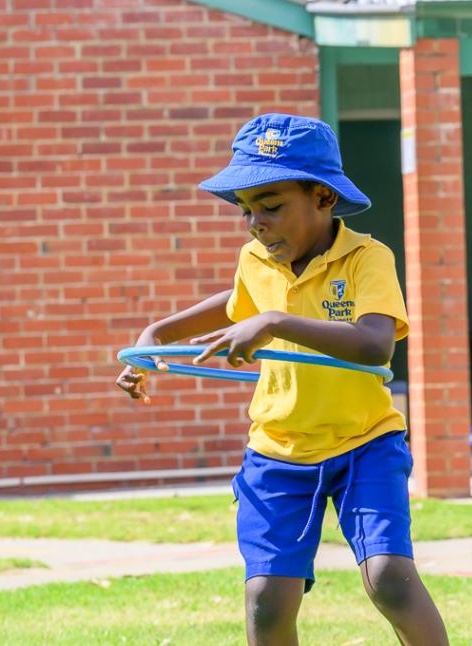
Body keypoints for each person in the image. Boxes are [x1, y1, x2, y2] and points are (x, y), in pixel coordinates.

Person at [116, 113, 448, 645]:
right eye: (247, 211)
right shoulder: (256, 259)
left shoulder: (368, 258)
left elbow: (373, 345)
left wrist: (272, 322)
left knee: (390, 578)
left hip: (365, 443)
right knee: (266, 599)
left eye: (270, 206)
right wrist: (159, 331)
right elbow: (235, 307)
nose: (255, 223)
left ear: (323, 198)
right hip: (277, 451)